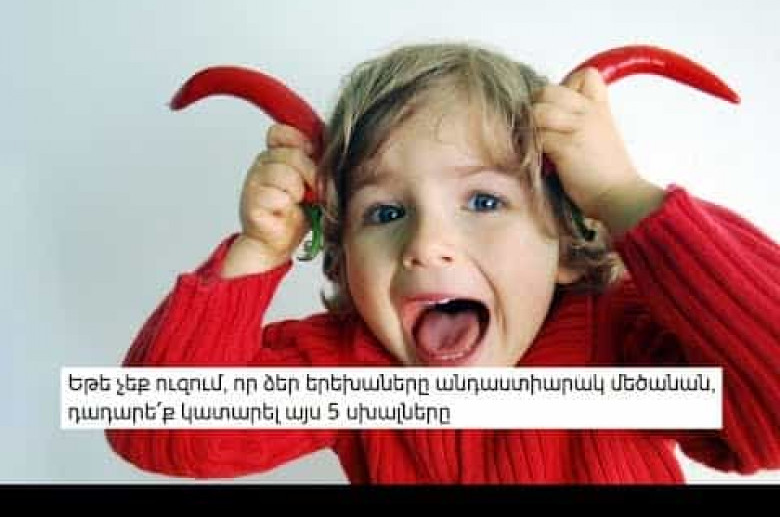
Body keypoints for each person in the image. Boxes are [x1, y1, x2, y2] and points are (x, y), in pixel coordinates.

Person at [106, 42, 780, 483]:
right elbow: (157, 427)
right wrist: (257, 253)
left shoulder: (620, 349)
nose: (428, 244)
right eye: (385, 212)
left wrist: (624, 196)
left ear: (567, 239)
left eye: (484, 200)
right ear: (342, 260)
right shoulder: (355, 374)